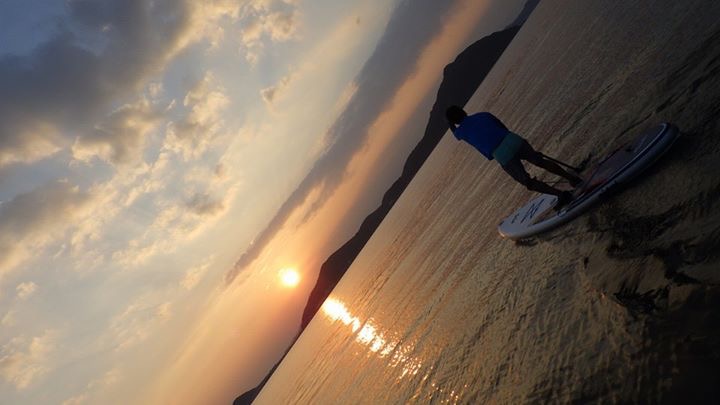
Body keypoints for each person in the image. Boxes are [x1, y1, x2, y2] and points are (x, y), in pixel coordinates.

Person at [446, 105, 582, 208]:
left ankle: (561, 195)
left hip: (501, 153)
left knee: (527, 181)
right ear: (463, 111)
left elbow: (454, 131)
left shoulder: (460, 132)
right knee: (539, 161)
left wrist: (449, 122)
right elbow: (502, 126)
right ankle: (572, 178)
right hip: (511, 139)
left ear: (454, 121)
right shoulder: (483, 115)